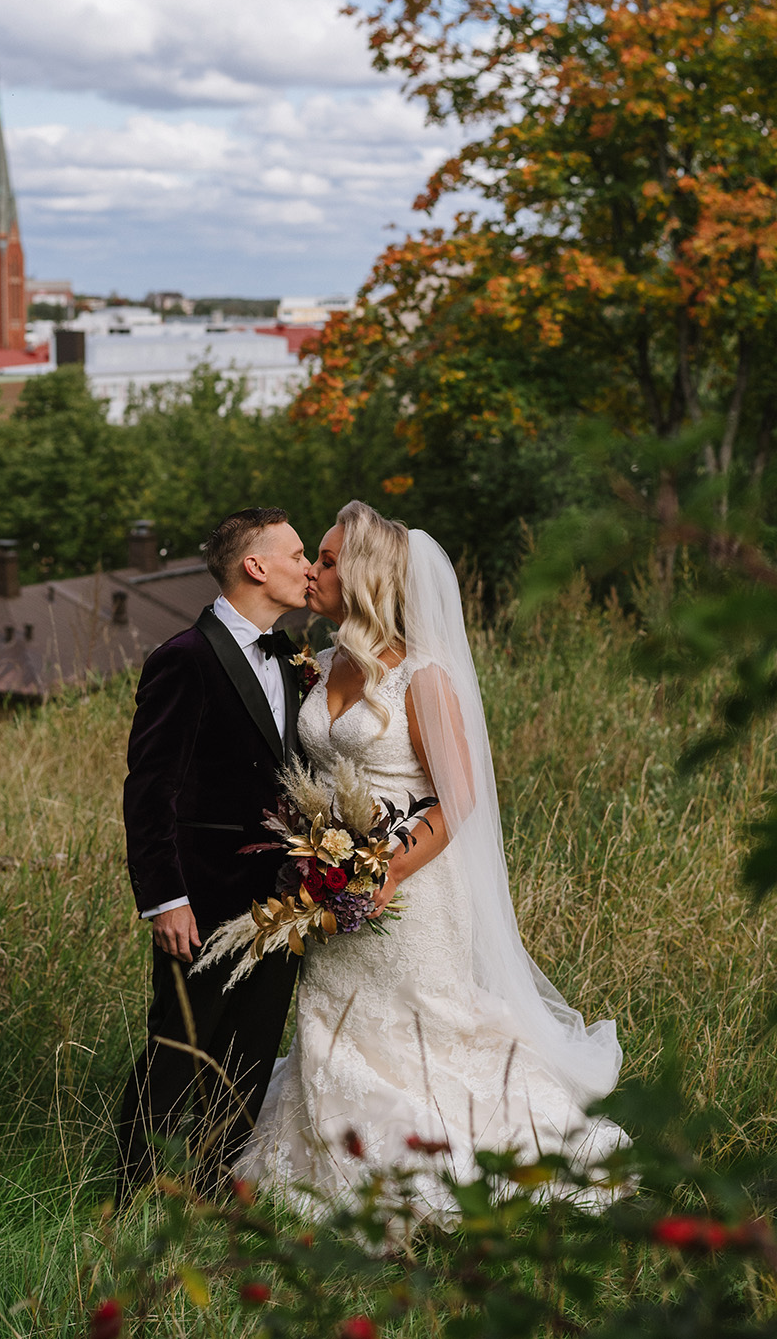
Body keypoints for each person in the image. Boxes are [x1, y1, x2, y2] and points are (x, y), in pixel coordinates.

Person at [234, 500, 625, 1222]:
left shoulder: (421, 677)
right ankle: (332, 1155)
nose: (313, 572)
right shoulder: (317, 668)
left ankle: (454, 1158)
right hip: (331, 885)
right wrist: (310, 856)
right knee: (334, 1020)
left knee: (422, 1024)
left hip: (410, 891)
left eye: (325, 560)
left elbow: (459, 797)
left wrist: (384, 874)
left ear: (365, 577)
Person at [116, 507, 310, 1198]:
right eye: (296, 554)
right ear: (254, 566)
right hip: (203, 897)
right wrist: (165, 899)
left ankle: (211, 1188)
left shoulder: (293, 658)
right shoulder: (183, 659)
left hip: (286, 898)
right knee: (180, 1048)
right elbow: (151, 791)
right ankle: (128, 1194)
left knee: (250, 1056)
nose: (309, 566)